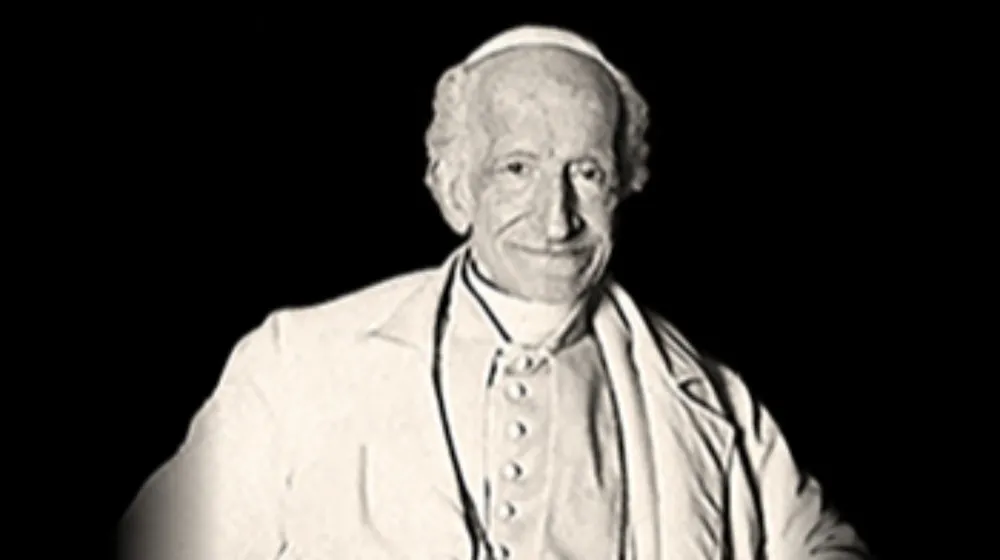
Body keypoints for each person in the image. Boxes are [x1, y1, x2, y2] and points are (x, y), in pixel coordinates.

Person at [118, 25, 870, 560]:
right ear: (454, 189)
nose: (556, 217)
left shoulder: (710, 398)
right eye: (517, 169)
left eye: (586, 173)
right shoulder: (300, 364)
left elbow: (823, 542)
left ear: (623, 187)